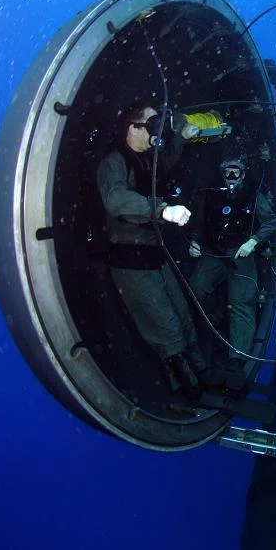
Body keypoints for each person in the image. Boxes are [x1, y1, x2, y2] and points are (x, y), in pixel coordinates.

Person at [97, 100, 207, 398]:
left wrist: (181, 140)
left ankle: (202, 371)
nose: (157, 131)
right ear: (133, 128)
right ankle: (187, 389)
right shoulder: (114, 163)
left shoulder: (146, 158)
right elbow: (116, 199)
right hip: (131, 263)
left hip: (155, 255)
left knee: (182, 315)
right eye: (152, 124)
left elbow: (165, 165)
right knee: (165, 326)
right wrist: (162, 210)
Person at [187, 155, 276, 370]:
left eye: (235, 172)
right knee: (195, 288)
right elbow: (198, 222)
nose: (231, 177)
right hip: (214, 252)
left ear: (243, 175)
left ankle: (238, 356)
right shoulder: (210, 195)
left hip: (242, 252)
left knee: (242, 300)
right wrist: (194, 242)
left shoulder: (253, 195)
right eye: (227, 172)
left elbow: (270, 222)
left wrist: (253, 241)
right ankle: (216, 317)